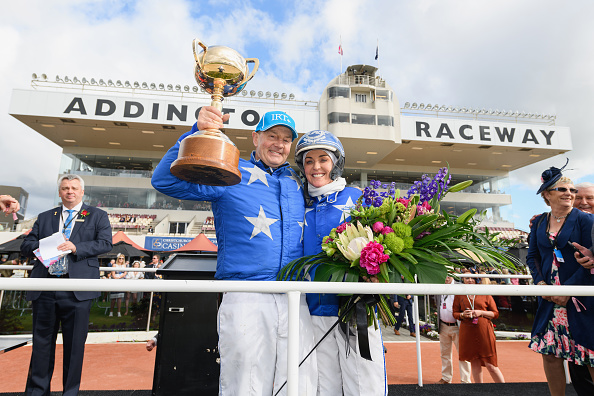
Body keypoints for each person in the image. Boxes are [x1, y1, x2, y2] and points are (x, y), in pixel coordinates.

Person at [151, 106, 317, 395]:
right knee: (245, 383)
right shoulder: (231, 169)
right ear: (255, 137)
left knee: (296, 383)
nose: (279, 144)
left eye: (286, 139)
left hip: (294, 297)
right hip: (247, 294)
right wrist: (198, 132)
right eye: (272, 135)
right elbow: (164, 180)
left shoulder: (297, 181)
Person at [296, 130, 387, 395]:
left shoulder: (358, 199)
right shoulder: (298, 204)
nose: (316, 167)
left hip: (353, 309)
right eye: (308, 160)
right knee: (324, 386)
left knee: (364, 383)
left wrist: (378, 275)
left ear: (336, 163)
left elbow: (383, 249)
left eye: (323, 159)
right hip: (312, 311)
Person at [20, 174, 112, 396]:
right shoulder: (45, 217)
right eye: (65, 188)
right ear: (59, 192)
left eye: (73, 188)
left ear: (82, 192)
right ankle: (37, 392)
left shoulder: (97, 215)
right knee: (41, 346)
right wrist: (45, 246)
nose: (69, 191)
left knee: (74, 349)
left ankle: (70, 393)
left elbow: (105, 243)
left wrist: (76, 247)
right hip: (45, 288)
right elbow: (26, 244)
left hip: (77, 291)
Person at [527, 164, 594, 396]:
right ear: (547, 194)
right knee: (551, 352)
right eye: (562, 188)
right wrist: (541, 285)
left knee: (589, 352)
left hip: (580, 296)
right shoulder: (538, 223)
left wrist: (568, 290)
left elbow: (590, 260)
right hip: (549, 298)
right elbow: (532, 256)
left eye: (572, 190)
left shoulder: (585, 221)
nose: (570, 193)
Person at [453, 269, 504, 383]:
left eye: (472, 278)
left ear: (476, 279)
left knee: (491, 364)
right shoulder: (459, 294)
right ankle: (479, 390)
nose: (470, 280)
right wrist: (462, 314)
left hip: (484, 332)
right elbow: (455, 313)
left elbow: (495, 313)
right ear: (463, 280)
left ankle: (504, 389)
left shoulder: (484, 292)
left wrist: (481, 313)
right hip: (468, 332)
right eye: (467, 278)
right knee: (474, 363)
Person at [434, 276, 471, 384]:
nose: (446, 277)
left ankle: (465, 380)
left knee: (463, 354)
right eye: (444, 274)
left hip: (458, 326)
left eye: (448, 274)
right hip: (443, 325)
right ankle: (446, 378)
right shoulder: (438, 286)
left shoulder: (461, 287)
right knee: (444, 353)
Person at [108, 253, 127, 317]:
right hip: (115, 281)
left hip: (121, 281)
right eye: (120, 258)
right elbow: (112, 273)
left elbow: (125, 273)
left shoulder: (124, 265)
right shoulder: (114, 265)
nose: (121, 259)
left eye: (122, 258)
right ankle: (111, 312)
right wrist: (116, 278)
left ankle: (119, 312)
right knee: (113, 298)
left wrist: (120, 277)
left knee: (119, 298)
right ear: (118, 259)